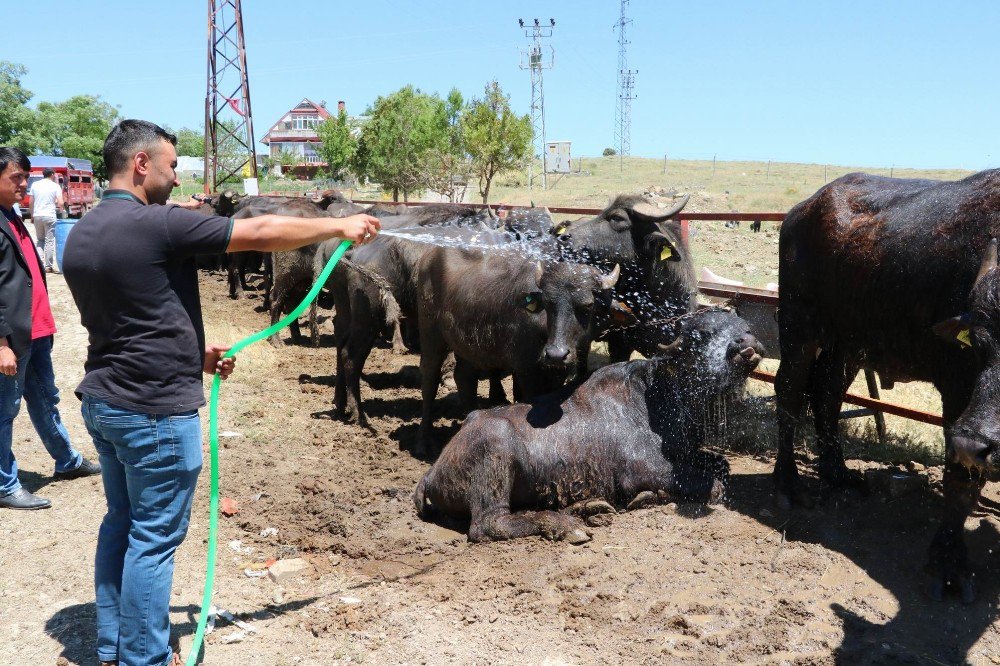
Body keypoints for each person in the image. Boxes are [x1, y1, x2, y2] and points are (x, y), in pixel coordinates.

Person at [62, 120, 380, 666]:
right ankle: (145, 658)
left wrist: (195, 356)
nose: (174, 178)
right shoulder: (156, 225)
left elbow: (131, 316)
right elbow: (254, 233)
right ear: (141, 163)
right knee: (155, 537)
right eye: (169, 166)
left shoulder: (84, 232)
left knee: (122, 521)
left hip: (106, 401)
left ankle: (114, 644)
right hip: (155, 413)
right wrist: (339, 224)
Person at [0, 147, 102, 511]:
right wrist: (1, 344)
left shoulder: (12, 215)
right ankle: (4, 484)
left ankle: (67, 461)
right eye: (16, 177)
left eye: (25, 176)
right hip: (11, 337)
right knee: (5, 409)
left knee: (45, 398)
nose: (24, 184)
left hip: (35, 330)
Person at [28, 167, 64, 273]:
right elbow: (60, 202)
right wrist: (60, 210)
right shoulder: (55, 186)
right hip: (49, 215)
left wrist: (32, 215)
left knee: (40, 240)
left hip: (37, 215)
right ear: (52, 174)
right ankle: (48, 266)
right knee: (49, 241)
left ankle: (40, 263)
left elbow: (31, 201)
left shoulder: (35, 185)